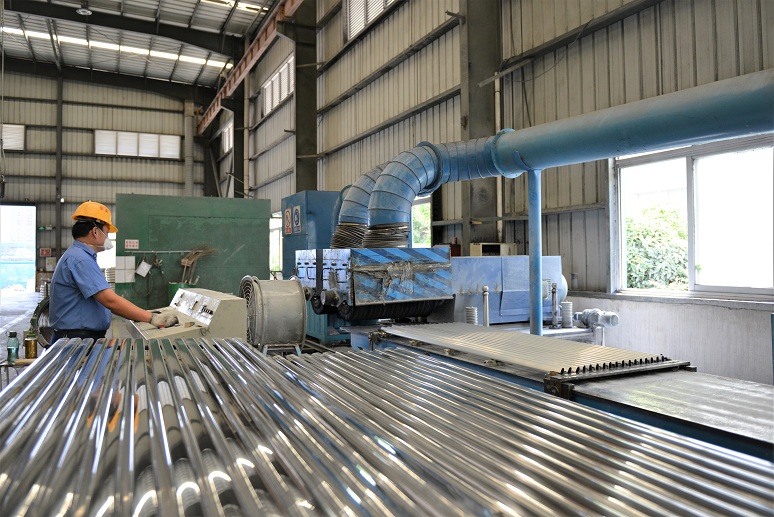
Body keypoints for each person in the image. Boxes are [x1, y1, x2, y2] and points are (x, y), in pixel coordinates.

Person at [49, 201, 178, 343]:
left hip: (79, 338)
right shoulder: (81, 260)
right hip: (76, 341)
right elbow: (110, 300)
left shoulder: (78, 256)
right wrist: (152, 318)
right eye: (107, 233)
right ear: (95, 232)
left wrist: (143, 314)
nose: (107, 238)